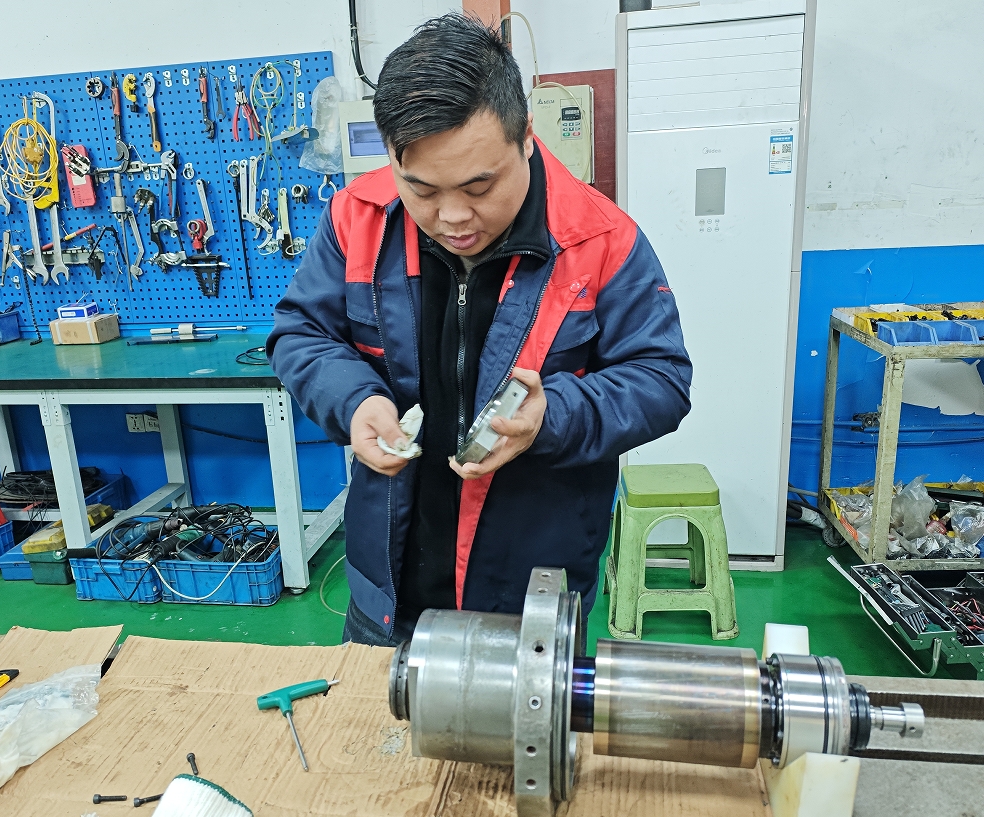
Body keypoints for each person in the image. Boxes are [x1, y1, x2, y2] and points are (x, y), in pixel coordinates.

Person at [267, 13, 692, 646]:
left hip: (529, 602)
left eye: (479, 186)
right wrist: (354, 402)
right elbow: (302, 333)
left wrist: (553, 416)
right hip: (387, 594)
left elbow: (661, 380)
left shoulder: (601, 241)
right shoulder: (358, 219)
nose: (453, 217)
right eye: (422, 189)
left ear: (526, 138)